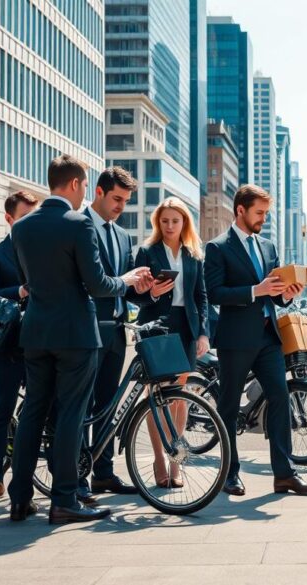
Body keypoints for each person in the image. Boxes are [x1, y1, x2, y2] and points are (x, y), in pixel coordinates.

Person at [8, 155, 152, 524]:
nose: (85, 191)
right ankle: (65, 499)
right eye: (86, 185)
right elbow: (98, 284)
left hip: (36, 333)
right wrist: (130, 280)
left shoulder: (22, 227)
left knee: (32, 416)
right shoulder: (78, 225)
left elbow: (31, 282)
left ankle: (20, 498)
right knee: (73, 415)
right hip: (76, 335)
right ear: (75, 184)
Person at [204, 184, 307, 497]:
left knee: (280, 398)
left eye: (266, 213)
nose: (263, 219)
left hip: (269, 337)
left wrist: (287, 294)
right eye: (259, 213)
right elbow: (214, 293)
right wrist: (256, 290)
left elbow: (276, 295)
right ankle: (230, 474)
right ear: (240, 210)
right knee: (228, 407)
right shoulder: (217, 248)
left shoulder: (268, 247)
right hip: (235, 340)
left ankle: (284, 474)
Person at [78, 167, 150, 501]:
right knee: (81, 407)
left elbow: (127, 289)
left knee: (107, 406)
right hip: (86, 331)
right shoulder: (78, 227)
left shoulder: (122, 236)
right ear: (99, 192)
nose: (121, 206)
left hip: (117, 331)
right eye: (117, 199)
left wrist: (149, 288)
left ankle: (104, 474)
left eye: (126, 201)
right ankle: (77, 476)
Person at [134, 196, 212, 487]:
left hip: (187, 328)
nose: (169, 226)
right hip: (157, 327)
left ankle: (175, 462)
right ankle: (157, 459)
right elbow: (133, 293)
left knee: (179, 399)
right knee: (155, 396)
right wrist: (152, 292)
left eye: (175, 221)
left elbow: (201, 296)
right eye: (164, 220)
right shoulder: (147, 251)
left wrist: (204, 332)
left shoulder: (194, 254)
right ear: (158, 222)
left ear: (184, 223)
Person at [0, 191, 39, 508]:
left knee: (42, 411)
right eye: (25, 217)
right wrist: (20, 290)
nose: (31, 223)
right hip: (9, 345)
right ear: (9, 219)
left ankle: (24, 486)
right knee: (0, 412)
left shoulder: (44, 248)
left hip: (41, 342)